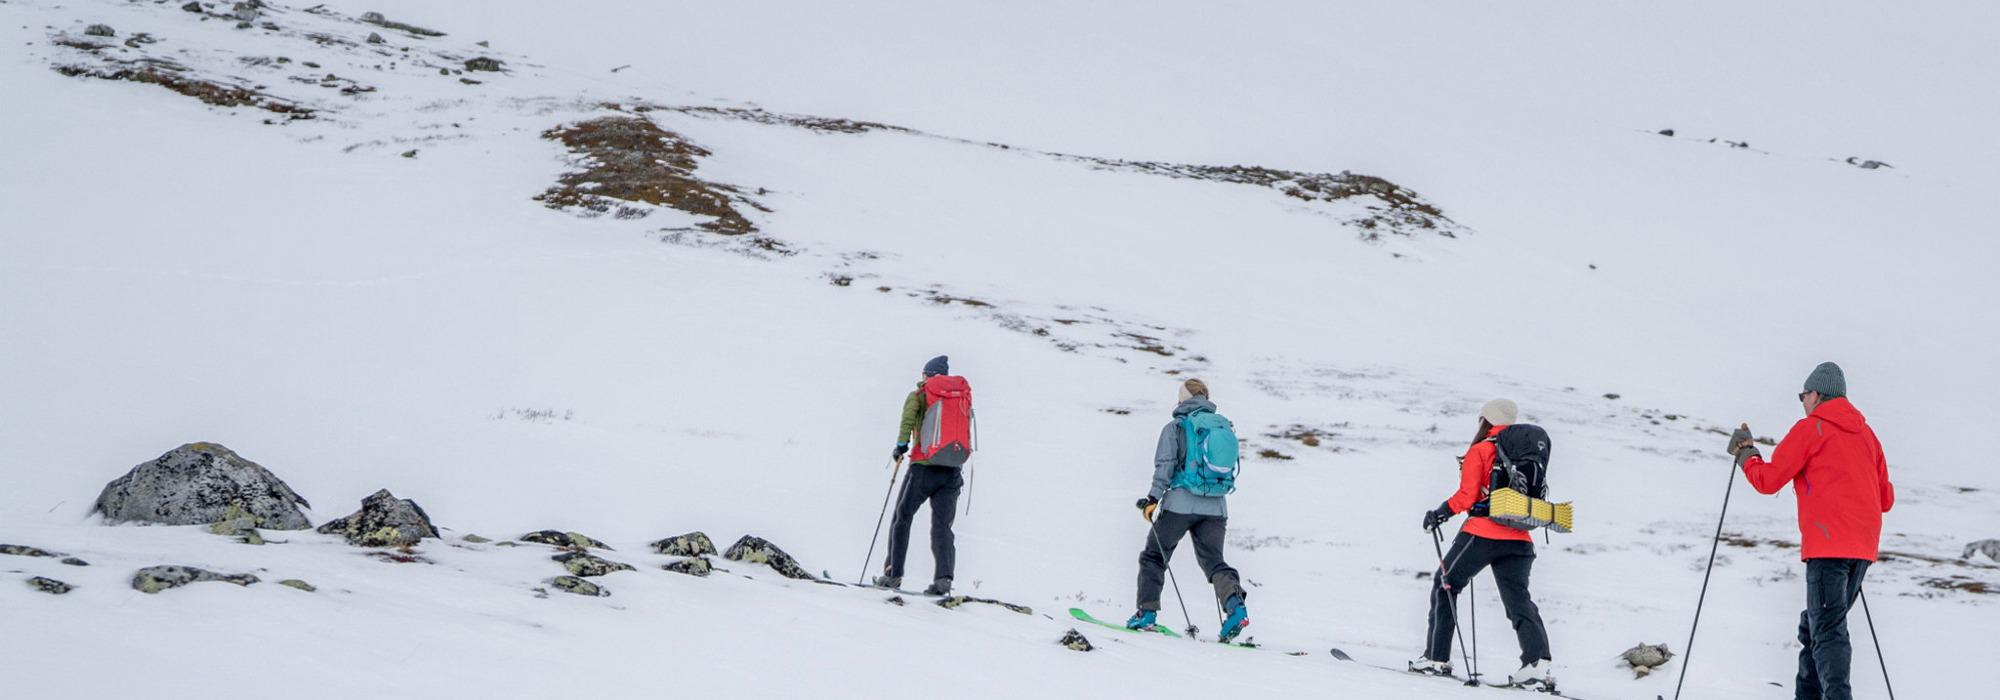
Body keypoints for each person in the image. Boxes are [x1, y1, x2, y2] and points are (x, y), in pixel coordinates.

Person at [1729, 362, 1894, 700]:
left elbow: (1769, 480)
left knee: (1828, 630)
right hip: (1862, 550)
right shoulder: (1868, 436)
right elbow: (1886, 499)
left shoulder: (1812, 428)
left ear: (1817, 394)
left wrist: (1746, 453)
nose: (1802, 401)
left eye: (1803, 394)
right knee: (1816, 627)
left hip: (1828, 546)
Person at [1410, 398, 1554, 689]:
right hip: (1520, 538)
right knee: (1518, 600)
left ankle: (1437, 658)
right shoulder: (1524, 452)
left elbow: (1466, 497)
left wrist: (1439, 513)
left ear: (1485, 420)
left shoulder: (1482, 449)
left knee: (1446, 584)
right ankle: (1537, 665)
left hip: (1482, 534)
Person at [1126, 378, 1250, 642]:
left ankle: (1146, 614)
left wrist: (1152, 499)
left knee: (1154, 556)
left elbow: (1165, 467)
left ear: (1181, 400)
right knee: (1215, 562)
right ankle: (1236, 608)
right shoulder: (1222, 426)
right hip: (1216, 508)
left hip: (1180, 505)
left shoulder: (1176, 427)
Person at [875, 355, 963, 596]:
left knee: (902, 517)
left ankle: (893, 575)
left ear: (926, 375)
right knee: (942, 525)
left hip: (923, 468)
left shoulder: (920, 395)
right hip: (953, 470)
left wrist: (900, 447)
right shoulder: (958, 397)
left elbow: (907, 423)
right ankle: (944, 579)